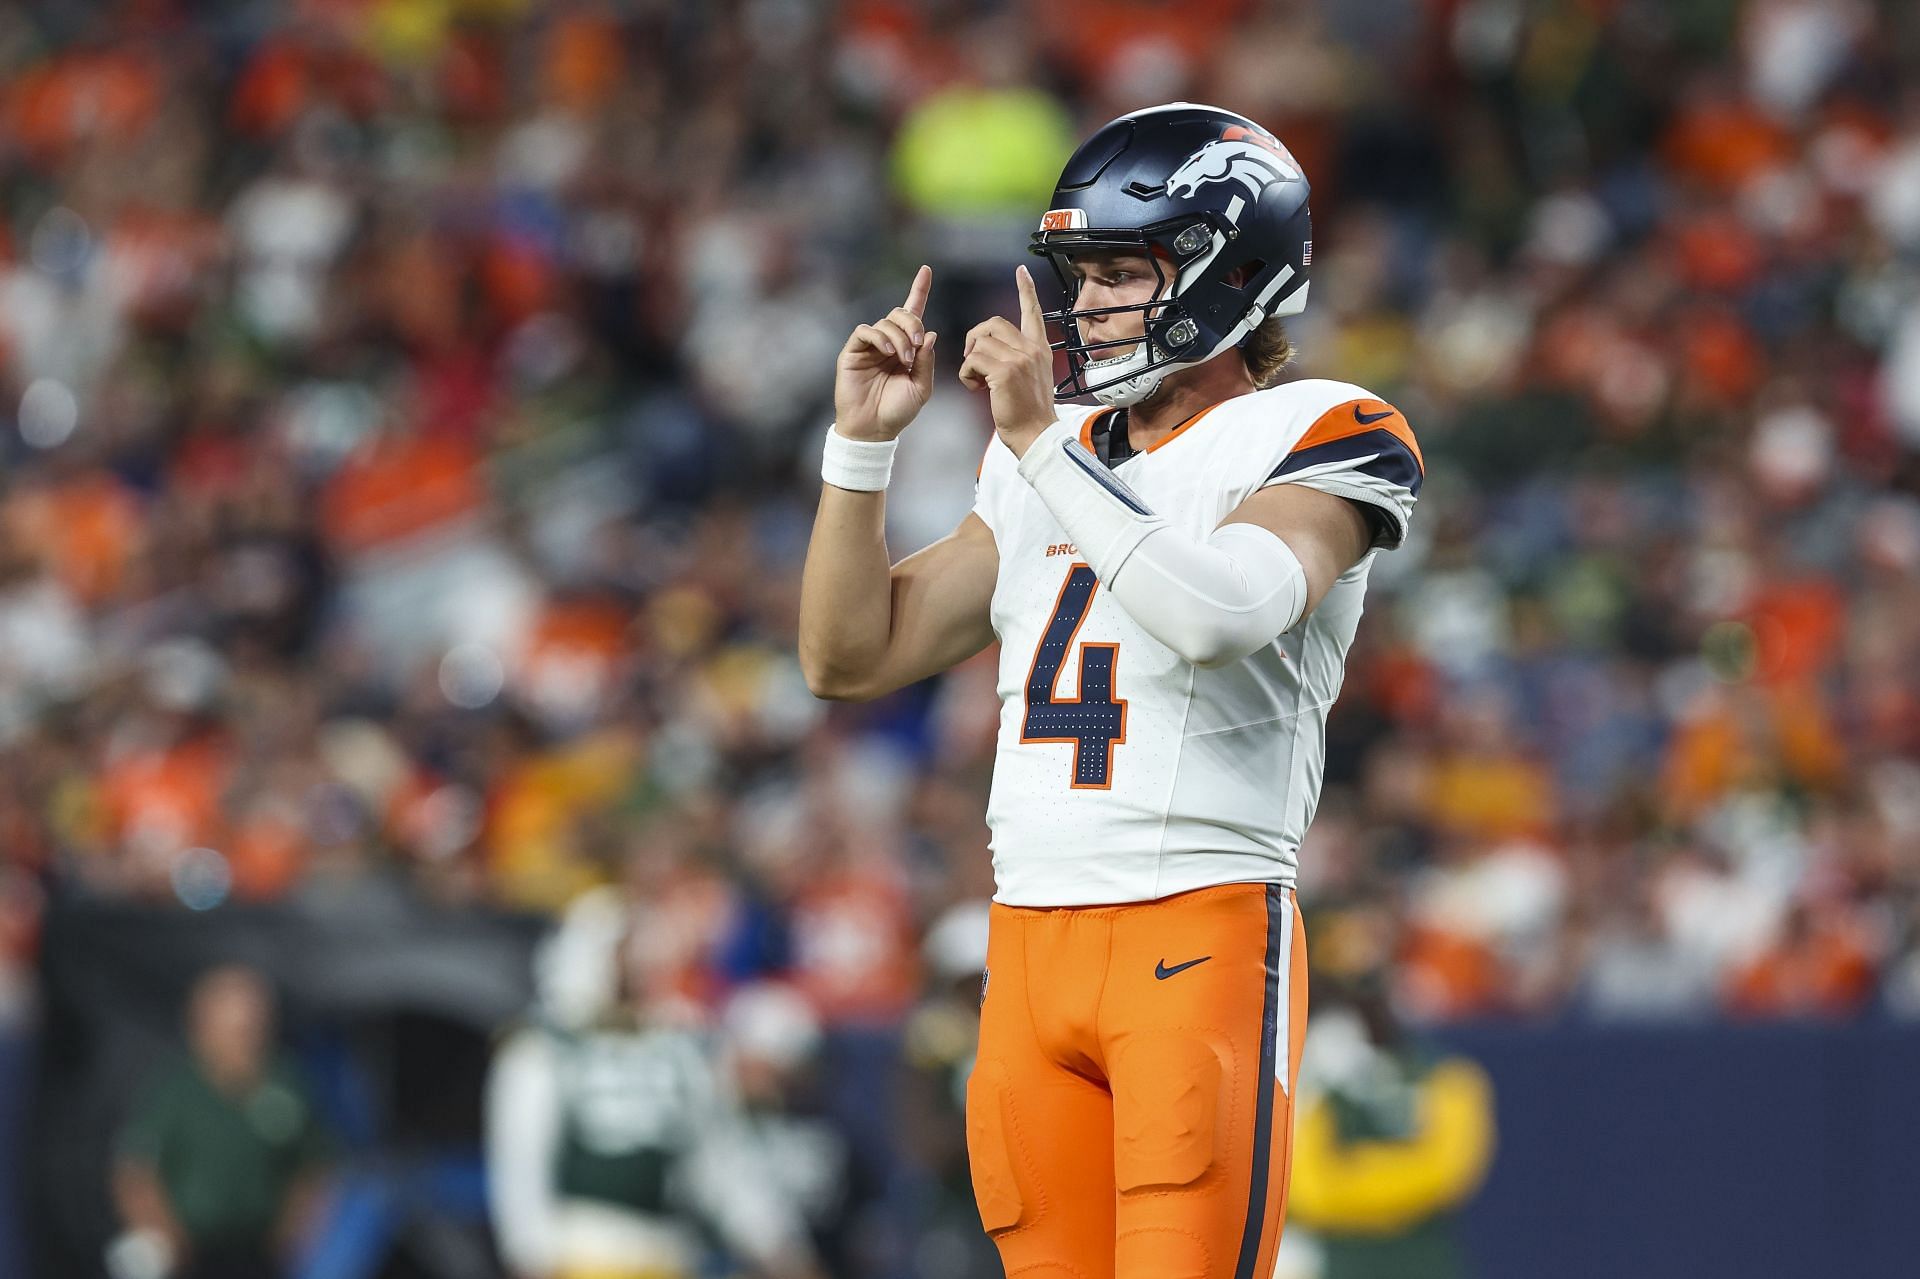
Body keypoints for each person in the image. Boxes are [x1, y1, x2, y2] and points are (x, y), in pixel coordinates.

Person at [799, 101, 1424, 1278]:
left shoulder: (1325, 429)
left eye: (1122, 272)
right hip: (1028, 936)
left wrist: (1041, 446)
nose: (1086, 307)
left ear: (1227, 271)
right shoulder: (1056, 451)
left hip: (1197, 922)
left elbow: (1219, 612)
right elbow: (847, 655)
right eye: (1081, 276)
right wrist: (861, 451)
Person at [111, 965, 328, 1279]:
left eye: (254, 1023)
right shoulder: (176, 1089)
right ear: (203, 1026)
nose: (247, 1034)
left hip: (260, 1251)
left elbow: (314, 1165)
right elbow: (134, 1170)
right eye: (236, 1026)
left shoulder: (286, 1083)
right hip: (192, 1251)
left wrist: (296, 1228)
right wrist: (162, 1231)